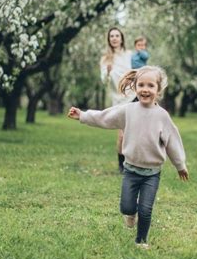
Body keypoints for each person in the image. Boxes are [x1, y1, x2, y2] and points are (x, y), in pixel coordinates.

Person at [68, 66, 189, 248]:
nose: (145, 89)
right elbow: (105, 117)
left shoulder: (162, 116)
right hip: (130, 170)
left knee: (146, 210)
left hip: (152, 174)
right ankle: (130, 214)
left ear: (158, 90)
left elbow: (173, 142)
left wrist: (180, 165)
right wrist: (83, 115)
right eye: (141, 85)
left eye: (150, 85)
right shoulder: (128, 110)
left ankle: (141, 241)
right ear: (135, 87)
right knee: (126, 207)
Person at [100, 27, 135, 173]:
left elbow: (138, 71)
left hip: (133, 96)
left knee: (133, 132)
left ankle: (133, 163)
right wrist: (107, 72)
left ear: (122, 38)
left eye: (117, 36)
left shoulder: (129, 55)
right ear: (109, 39)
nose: (114, 38)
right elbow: (104, 81)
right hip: (118, 100)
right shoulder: (105, 59)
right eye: (111, 36)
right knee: (122, 135)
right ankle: (122, 165)